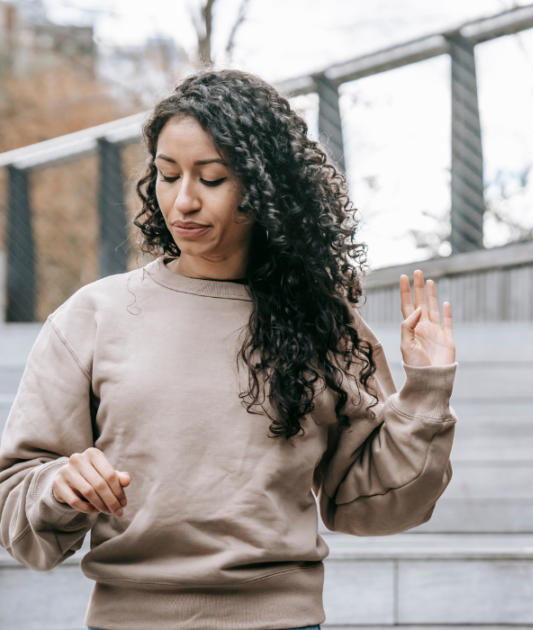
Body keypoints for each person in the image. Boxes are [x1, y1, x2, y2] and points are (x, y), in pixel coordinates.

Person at [0, 69, 457, 630]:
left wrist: (427, 391)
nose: (183, 200)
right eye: (167, 175)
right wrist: (58, 487)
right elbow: (20, 515)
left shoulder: (323, 324)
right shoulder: (92, 316)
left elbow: (372, 504)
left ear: (264, 188)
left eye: (212, 179)